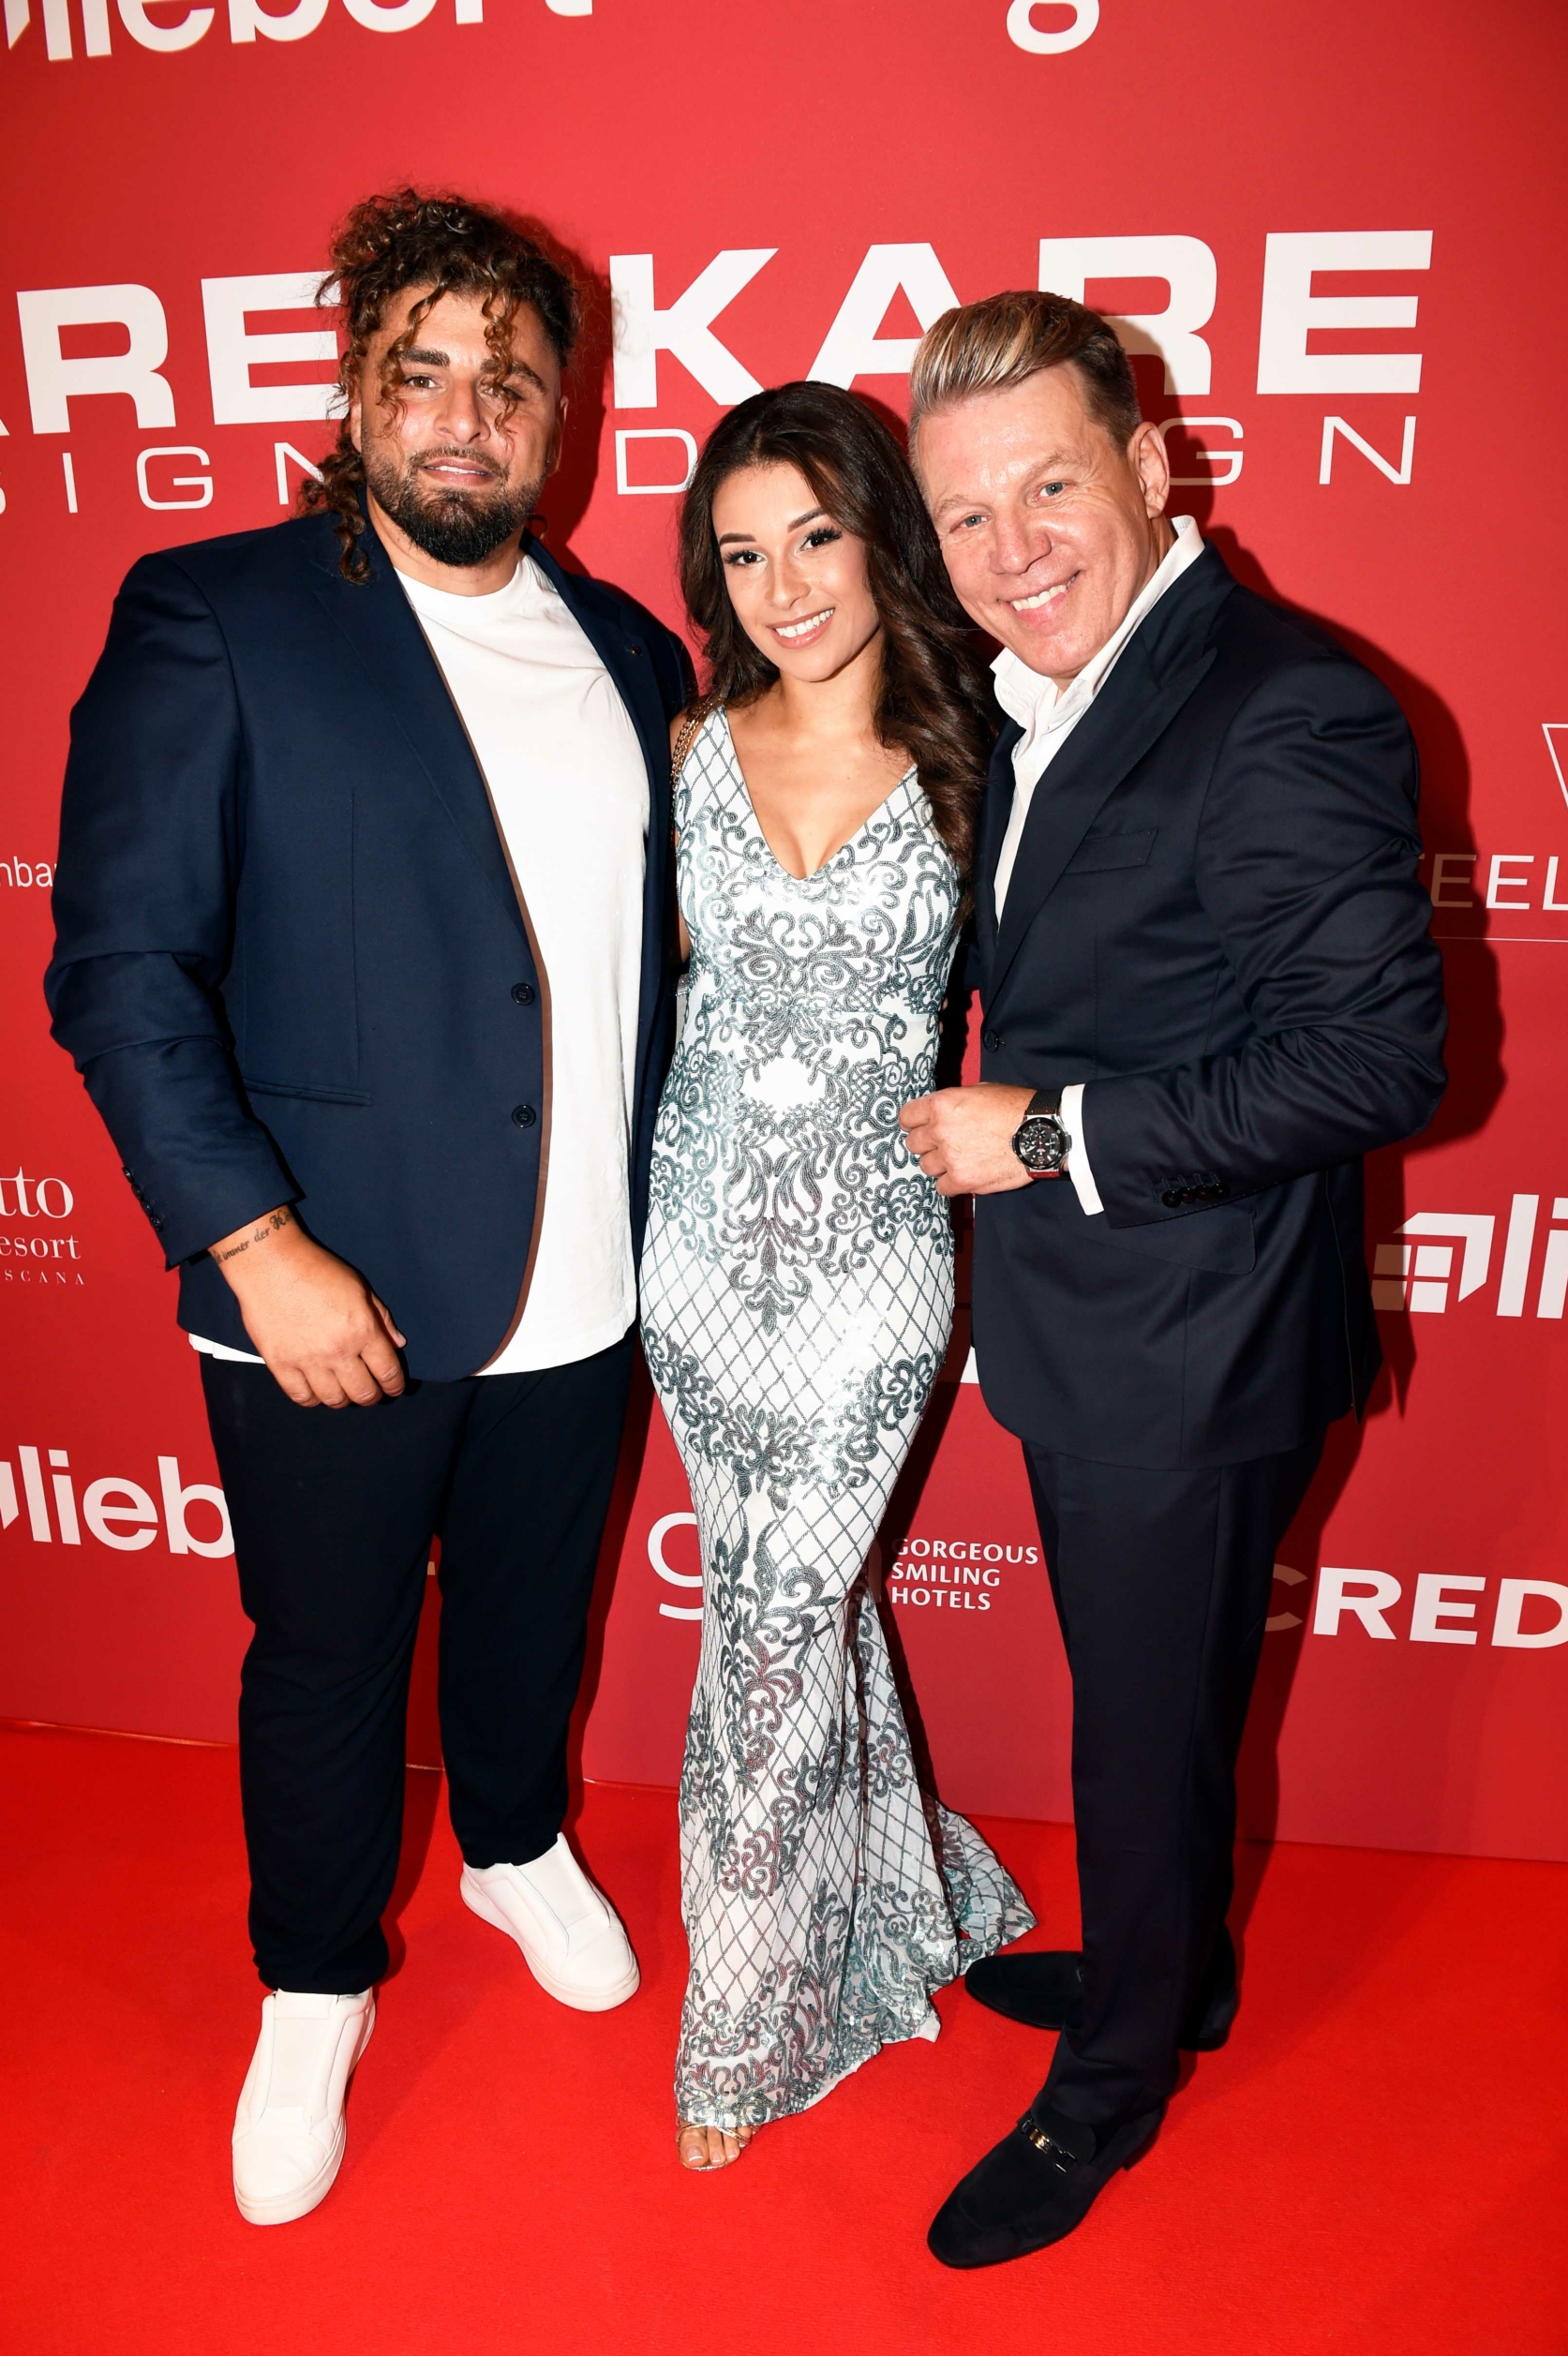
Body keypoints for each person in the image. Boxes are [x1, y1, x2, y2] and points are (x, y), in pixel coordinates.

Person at [46, 189, 692, 2226]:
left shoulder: (631, 648)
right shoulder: (217, 612)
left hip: (587, 1274)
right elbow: (122, 966)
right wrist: (257, 1244)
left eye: (513, 380)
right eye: (424, 371)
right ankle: (315, 1980)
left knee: (525, 1608)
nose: (467, 414)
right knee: (327, 1654)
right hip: (326, 1281)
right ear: (352, 391)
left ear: (564, 419)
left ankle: (511, 1844)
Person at [899, 293, 1447, 2267]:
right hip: (1111, 1328)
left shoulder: (1280, 701)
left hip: (1192, 1346)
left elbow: (1377, 1060)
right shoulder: (1051, 689)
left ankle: (1114, 2079)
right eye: (966, 516)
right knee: (1163, 1703)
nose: (1012, 548)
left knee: (1139, 1726)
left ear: (1147, 467)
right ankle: (1175, 1964)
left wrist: (1047, 1134)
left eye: (1050, 486)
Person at [639, 383, 1034, 2173]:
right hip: (698, 1257)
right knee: (772, 1601)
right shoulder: (686, 753)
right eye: (742, 554)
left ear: (883, 535)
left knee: (780, 1620)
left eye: (815, 536)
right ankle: (884, 1890)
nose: (785, 585)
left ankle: (744, 2016)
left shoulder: (982, 753)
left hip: (873, 1264)